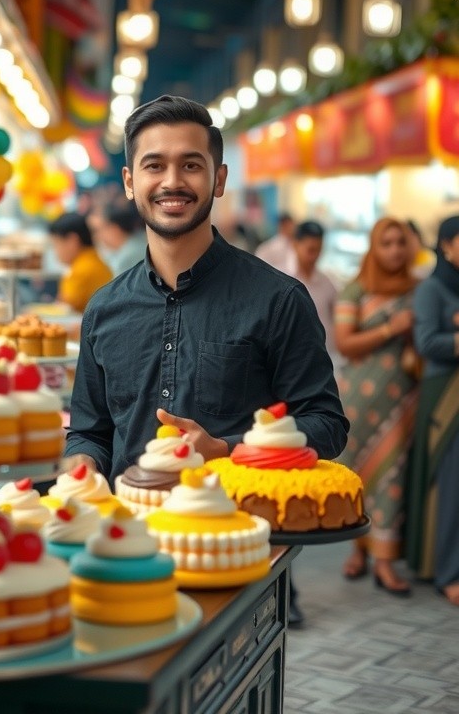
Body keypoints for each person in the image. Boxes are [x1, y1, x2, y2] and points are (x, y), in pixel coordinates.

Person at [64, 95, 348, 519]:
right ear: (129, 181)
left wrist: (227, 449)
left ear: (218, 179)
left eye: (191, 165)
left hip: (244, 543)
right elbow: (90, 431)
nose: (172, 181)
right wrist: (82, 464)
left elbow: (325, 423)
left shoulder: (277, 300)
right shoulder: (104, 309)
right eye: (154, 165)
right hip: (121, 545)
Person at [334, 217, 417, 595]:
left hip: (400, 400)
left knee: (392, 474)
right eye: (386, 243)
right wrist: (390, 328)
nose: (395, 250)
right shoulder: (356, 290)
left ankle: (384, 561)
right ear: (373, 246)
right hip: (358, 398)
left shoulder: (419, 290)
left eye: (401, 242)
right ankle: (359, 552)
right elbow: (344, 343)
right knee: (357, 474)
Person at [407, 214, 459, 605]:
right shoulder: (433, 290)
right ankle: (446, 572)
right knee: (449, 483)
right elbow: (427, 343)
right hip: (445, 394)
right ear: (445, 245)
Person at [290, 221, 340, 368]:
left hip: (325, 357)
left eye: (319, 250)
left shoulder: (326, 282)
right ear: (295, 244)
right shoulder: (280, 277)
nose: (315, 256)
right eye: (311, 250)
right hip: (293, 359)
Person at [48, 211, 112, 313]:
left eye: (56, 244)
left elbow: (64, 306)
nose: (56, 251)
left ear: (72, 240)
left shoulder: (83, 269)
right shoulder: (92, 261)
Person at [90, 201, 147, 277]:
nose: (97, 236)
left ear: (115, 228)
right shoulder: (135, 244)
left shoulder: (127, 257)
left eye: (99, 230)